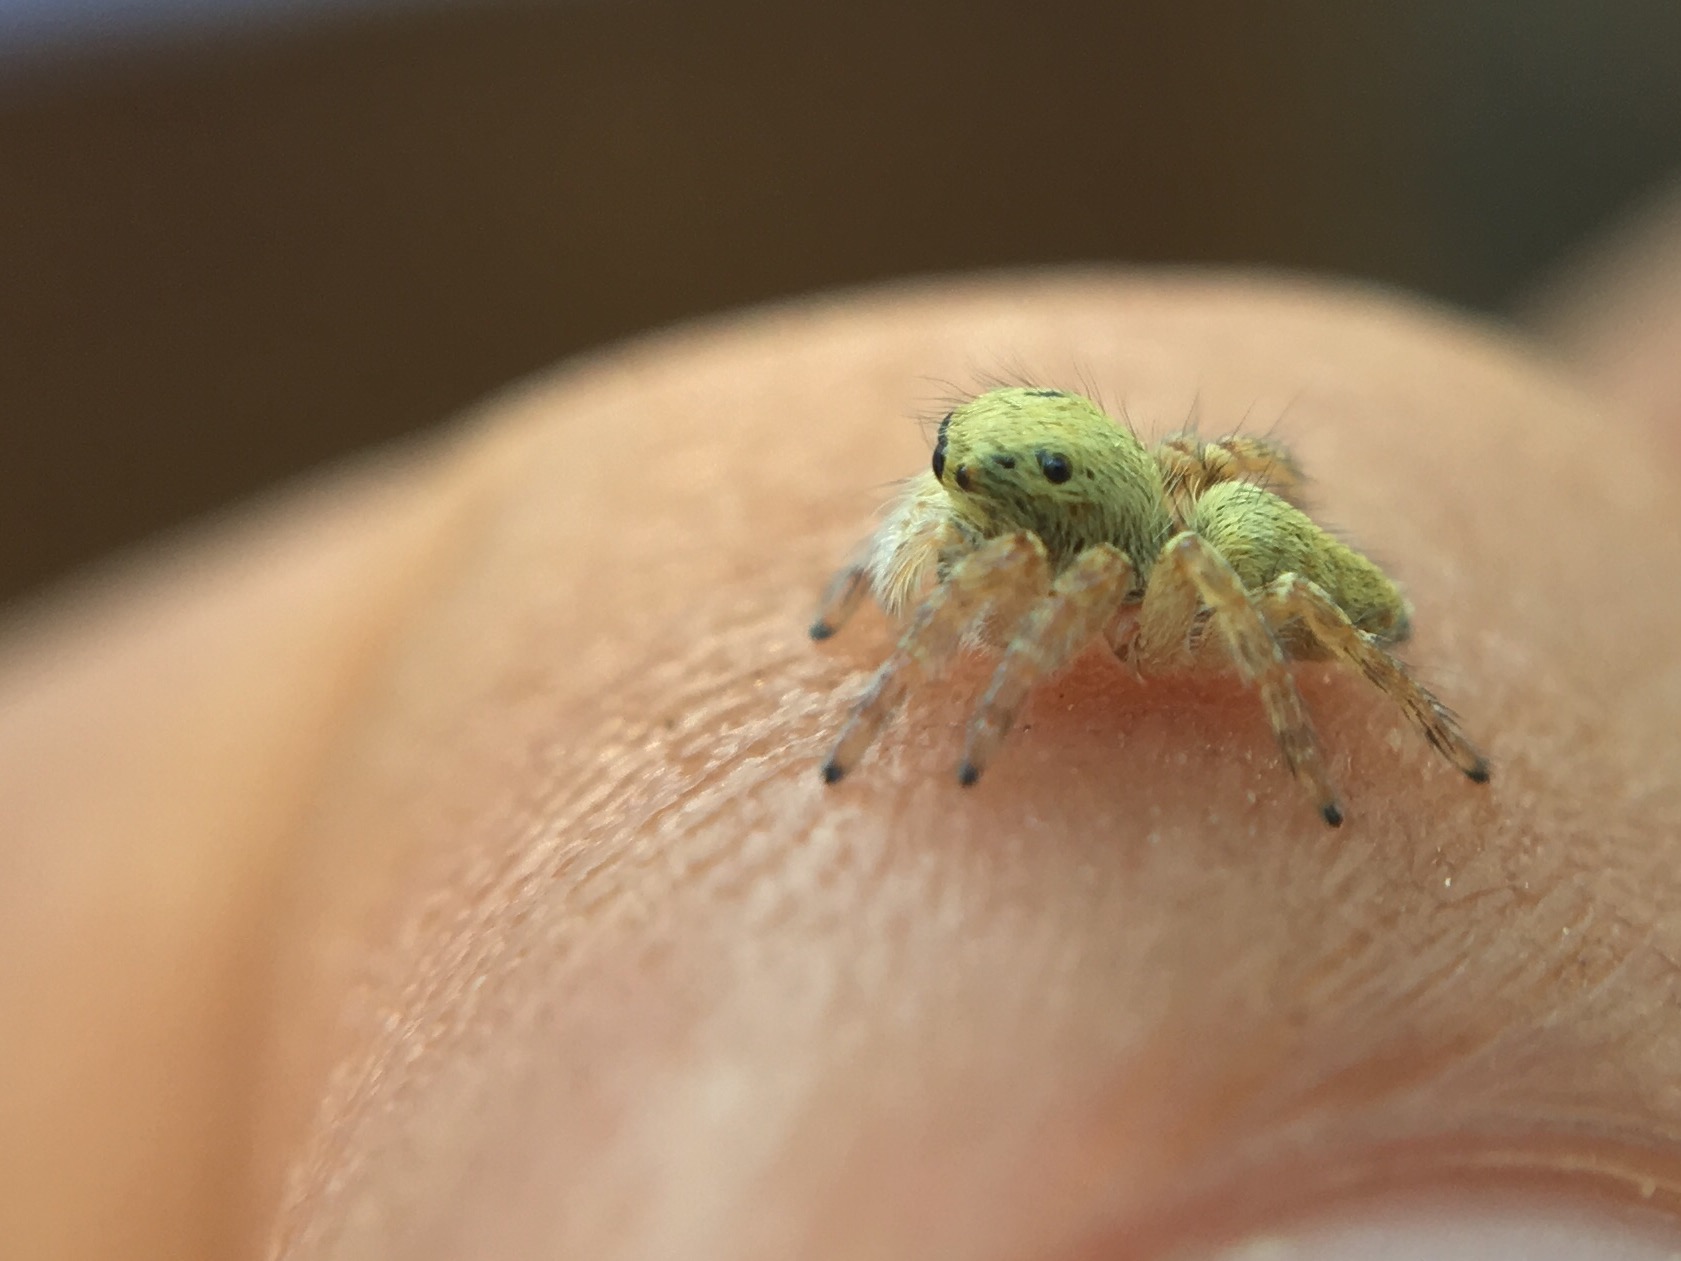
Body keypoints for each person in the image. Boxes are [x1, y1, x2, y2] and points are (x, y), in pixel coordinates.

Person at [3, 235, 1680, 1259]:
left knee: (1252, 566)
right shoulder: (976, 506)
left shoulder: (1143, 557)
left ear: (1067, 499)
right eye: (961, 488)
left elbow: (1102, 590)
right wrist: (866, 658)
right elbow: (915, 555)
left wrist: (1336, 750)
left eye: (989, 503)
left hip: (1233, 569)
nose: (956, 527)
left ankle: (1408, 712)